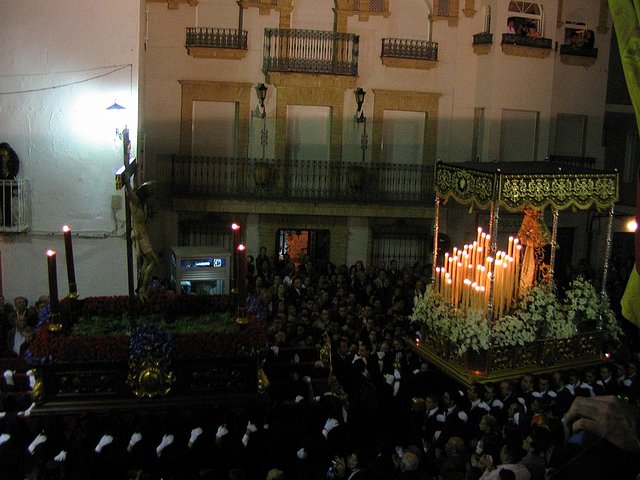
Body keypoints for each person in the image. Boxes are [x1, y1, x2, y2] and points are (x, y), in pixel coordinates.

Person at [122, 171, 158, 302]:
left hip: (142, 232)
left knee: (148, 261)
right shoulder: (136, 201)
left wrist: (134, 173)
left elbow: (135, 186)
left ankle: (142, 287)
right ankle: (143, 288)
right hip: (140, 234)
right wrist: (126, 182)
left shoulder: (141, 202)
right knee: (153, 260)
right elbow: (130, 192)